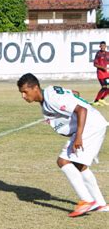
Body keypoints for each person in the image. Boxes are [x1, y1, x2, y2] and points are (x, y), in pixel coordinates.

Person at [17, 73, 109, 217]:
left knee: (63, 161)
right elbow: (74, 94)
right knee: (79, 165)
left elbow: (81, 110)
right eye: (21, 93)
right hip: (93, 123)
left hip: (89, 125)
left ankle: (86, 201)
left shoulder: (51, 98)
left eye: (25, 92)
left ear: (35, 88)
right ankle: (100, 203)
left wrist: (78, 136)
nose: (23, 96)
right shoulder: (49, 95)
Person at [92, 41, 109, 106]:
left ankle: (101, 99)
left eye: (104, 46)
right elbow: (95, 64)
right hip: (101, 74)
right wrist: (103, 68)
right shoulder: (98, 54)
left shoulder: (108, 54)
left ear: (105, 46)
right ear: (100, 47)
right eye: (101, 46)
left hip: (107, 74)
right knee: (104, 87)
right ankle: (96, 101)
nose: (102, 47)